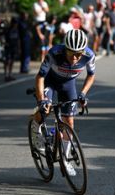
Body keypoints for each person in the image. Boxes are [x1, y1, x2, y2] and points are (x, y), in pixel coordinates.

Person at [32, 29, 95, 176]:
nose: (75, 57)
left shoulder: (89, 55)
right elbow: (40, 77)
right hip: (50, 82)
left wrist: (83, 94)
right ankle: (36, 129)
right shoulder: (54, 53)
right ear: (64, 49)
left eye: (78, 53)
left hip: (68, 85)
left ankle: (65, 160)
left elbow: (91, 75)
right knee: (45, 109)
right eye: (71, 53)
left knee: (69, 123)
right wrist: (41, 99)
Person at [4, 17, 20, 81]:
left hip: (14, 47)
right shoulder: (8, 30)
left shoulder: (16, 30)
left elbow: (18, 39)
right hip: (8, 47)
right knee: (7, 61)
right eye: (15, 23)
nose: (15, 24)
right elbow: (4, 38)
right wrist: (5, 43)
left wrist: (19, 47)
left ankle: (10, 74)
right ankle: (6, 74)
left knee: (12, 61)